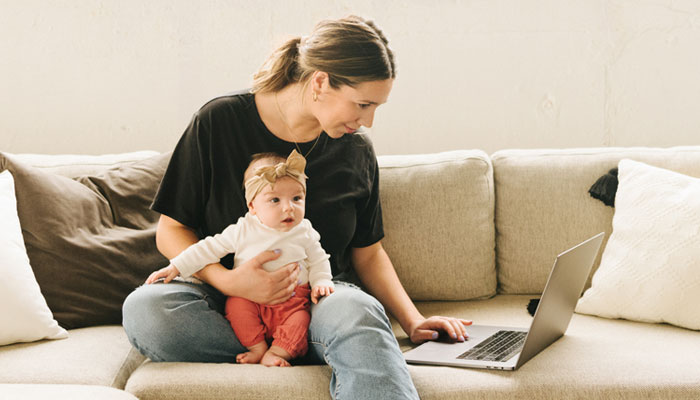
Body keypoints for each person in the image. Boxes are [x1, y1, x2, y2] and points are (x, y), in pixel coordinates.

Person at [122, 15, 471, 399]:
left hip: (320, 300)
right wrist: (227, 281)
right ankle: (296, 348)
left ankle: (319, 342)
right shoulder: (218, 122)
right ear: (320, 82)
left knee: (357, 314)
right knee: (147, 311)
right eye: (363, 104)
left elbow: (368, 253)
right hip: (228, 303)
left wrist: (413, 320)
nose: (368, 121)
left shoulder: (354, 150)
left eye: (375, 108)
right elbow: (171, 230)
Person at [144, 150, 335, 367]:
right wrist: (177, 266)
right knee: (236, 308)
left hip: (292, 301)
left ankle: (278, 352)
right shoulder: (243, 230)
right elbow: (208, 248)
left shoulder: (304, 231)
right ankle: (256, 348)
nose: (288, 207)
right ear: (252, 206)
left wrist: (322, 281)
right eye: (274, 199)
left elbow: (319, 259)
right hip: (248, 298)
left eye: (297, 198)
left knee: (301, 320)